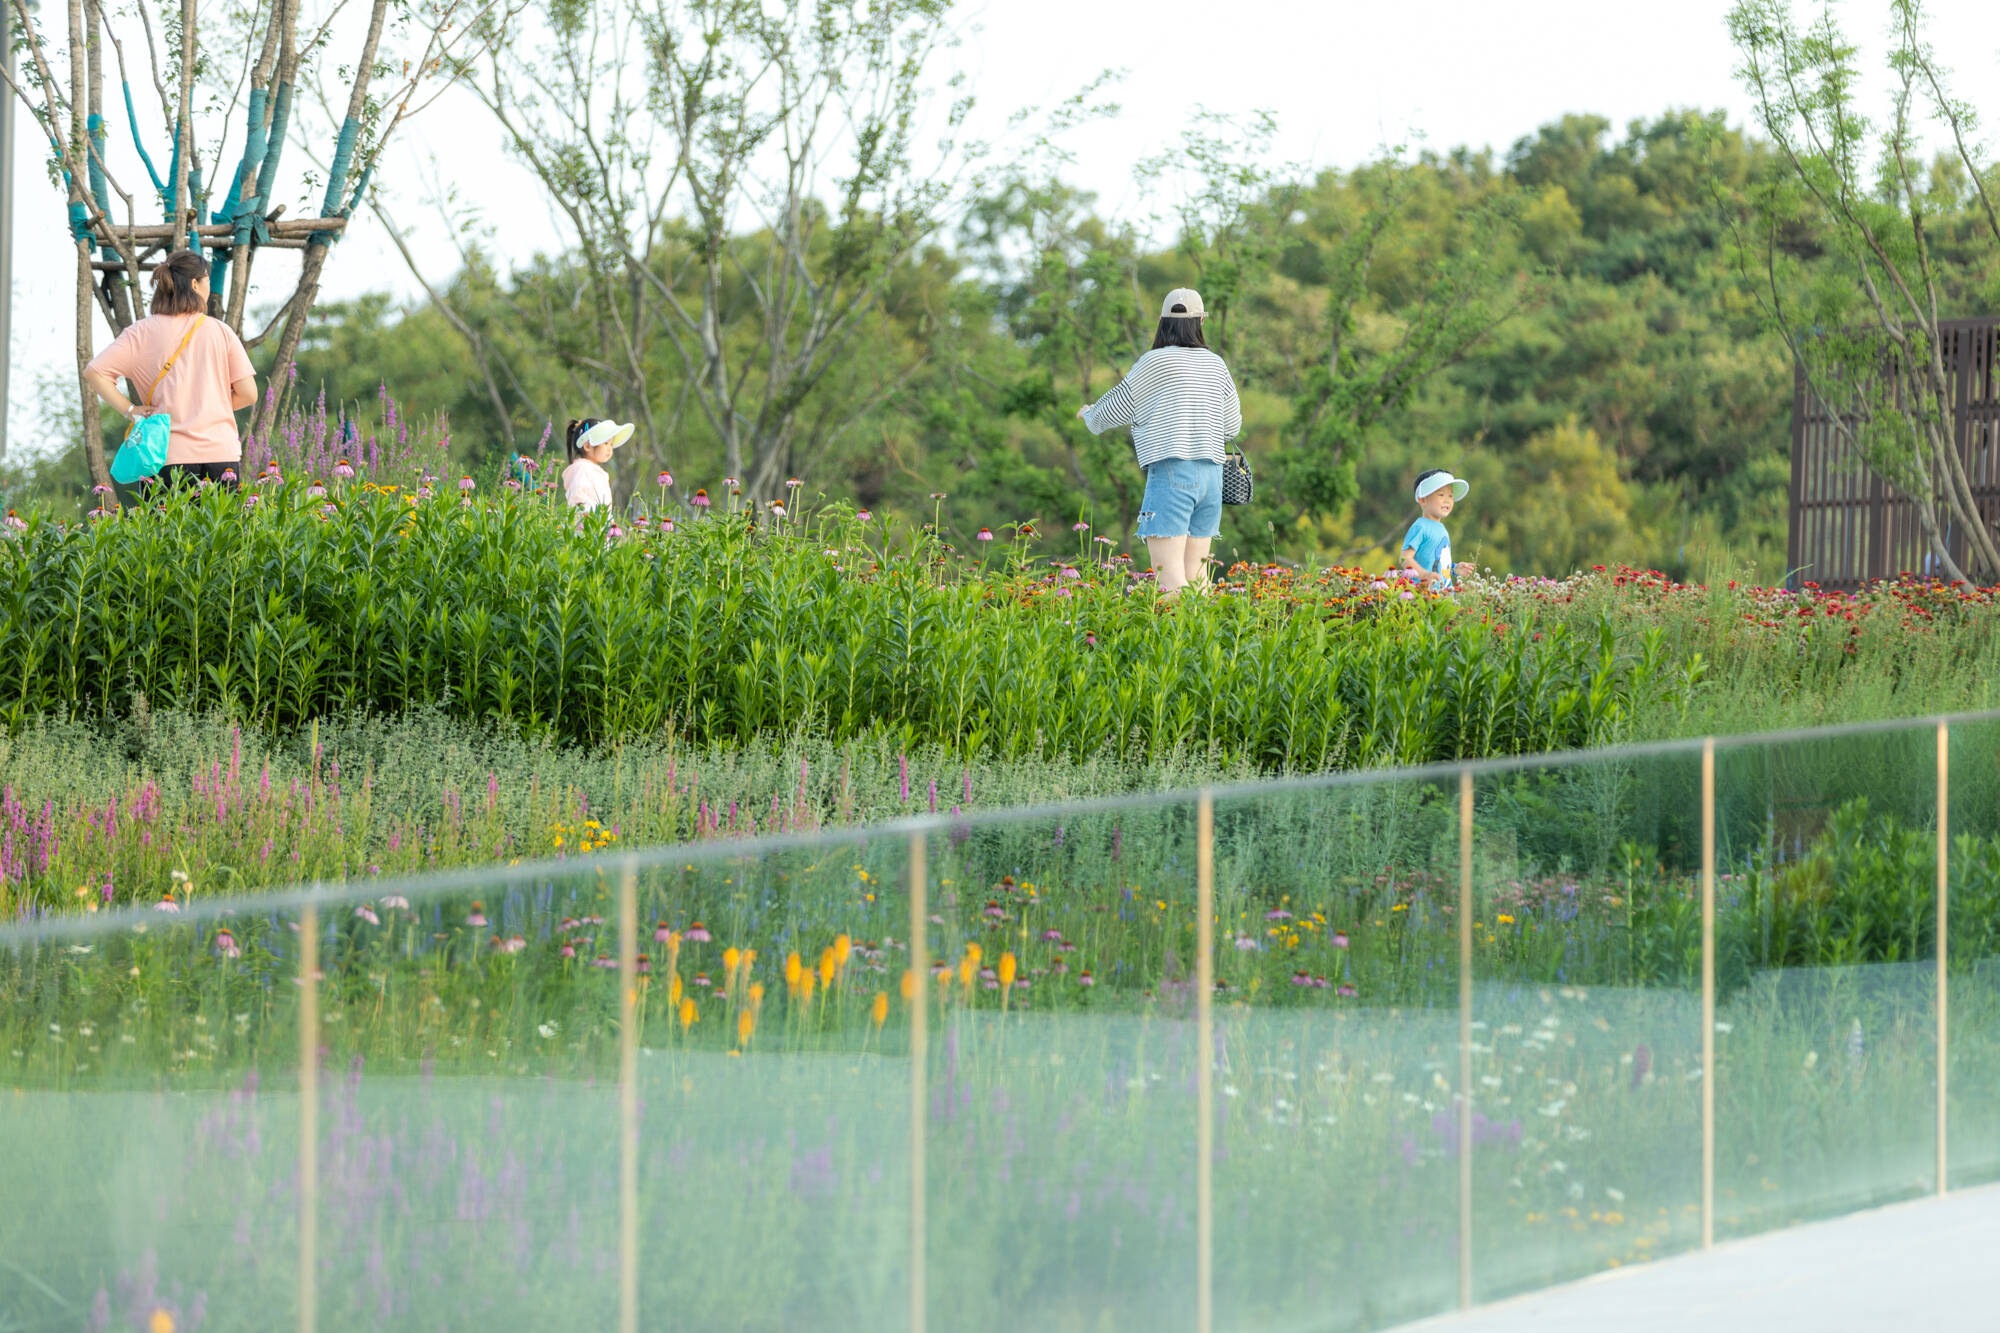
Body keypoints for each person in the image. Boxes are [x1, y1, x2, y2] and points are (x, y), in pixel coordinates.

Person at [1077, 288, 1243, 599]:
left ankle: (1178, 645)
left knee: (1168, 579)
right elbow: (1232, 425)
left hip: (1173, 474)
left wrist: (1089, 416)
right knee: (1198, 578)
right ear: (1200, 322)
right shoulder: (1216, 364)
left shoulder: (1155, 361)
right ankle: (1204, 643)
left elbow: (1115, 407)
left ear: (1162, 321)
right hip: (1213, 477)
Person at [83, 251, 257, 487]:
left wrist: (131, 410)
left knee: (167, 525)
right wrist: (210, 409)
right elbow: (248, 393)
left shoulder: (141, 333)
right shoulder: (221, 331)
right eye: (207, 279)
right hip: (221, 456)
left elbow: (94, 372)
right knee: (219, 524)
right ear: (195, 284)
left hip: (164, 456)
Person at [1401, 469, 1474, 590]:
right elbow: (1405, 558)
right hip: (1423, 597)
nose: (1447, 500)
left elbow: (1438, 565)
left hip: (1443, 597)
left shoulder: (1442, 529)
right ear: (1423, 499)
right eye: (1441, 495)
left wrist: (1455, 569)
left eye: (1451, 496)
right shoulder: (1420, 527)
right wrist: (1424, 575)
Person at [561, 418, 634, 510]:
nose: (609, 449)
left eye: (611, 444)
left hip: (599, 522)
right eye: (605, 443)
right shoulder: (582, 468)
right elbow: (577, 498)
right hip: (587, 522)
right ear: (587, 446)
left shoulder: (596, 471)